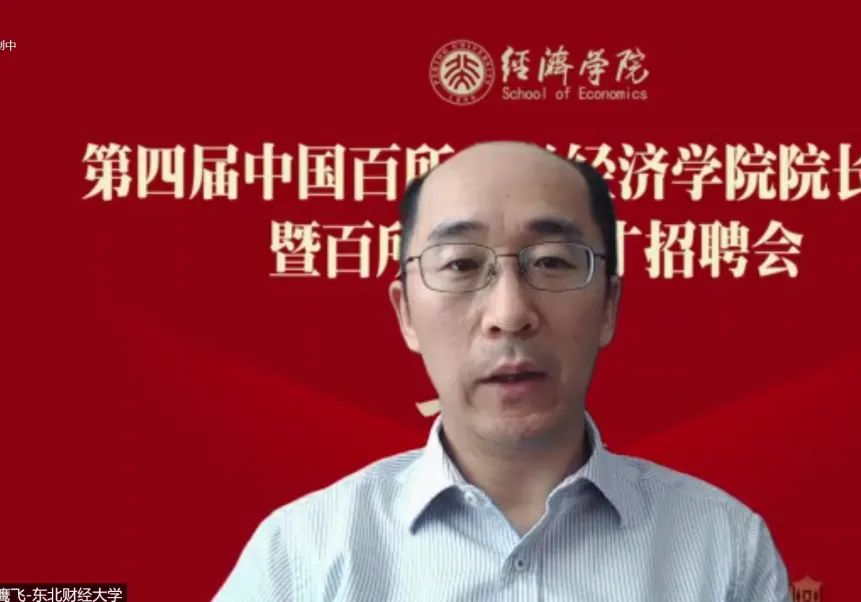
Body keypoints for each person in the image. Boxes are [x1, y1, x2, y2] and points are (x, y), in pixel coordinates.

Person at [214, 141, 792, 602]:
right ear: (406, 313)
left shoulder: (723, 546)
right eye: (461, 264)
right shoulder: (303, 554)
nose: (510, 314)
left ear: (609, 307)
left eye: (552, 262)